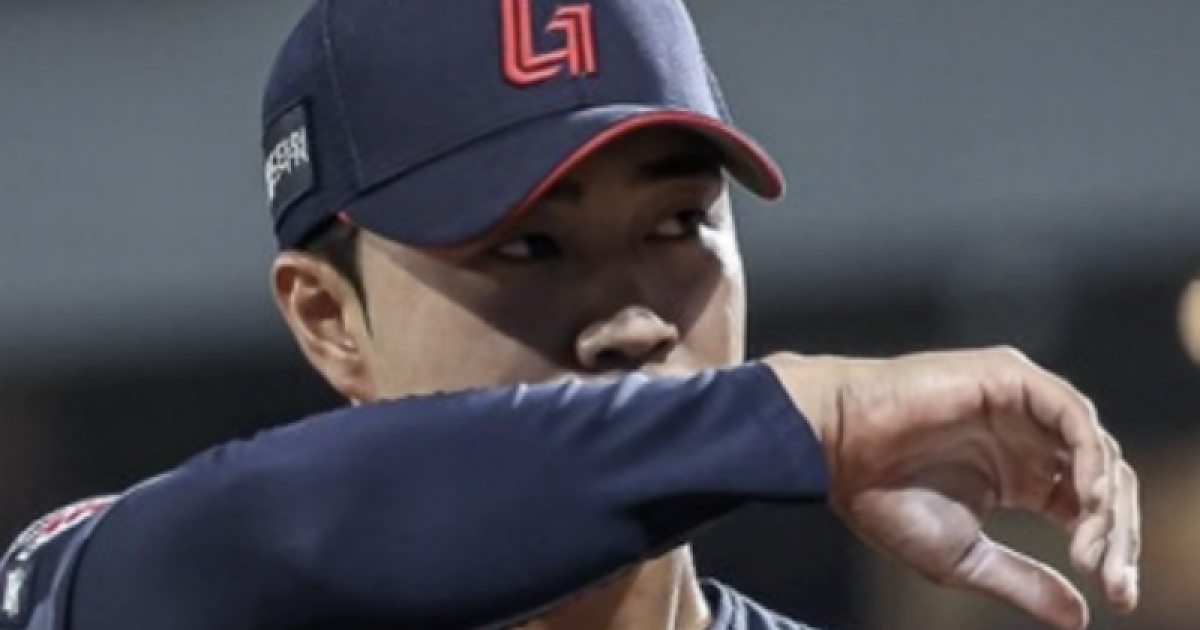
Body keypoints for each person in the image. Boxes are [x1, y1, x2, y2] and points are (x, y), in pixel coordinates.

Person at [0, 1, 1140, 629]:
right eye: (525, 246)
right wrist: (802, 418)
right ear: (329, 318)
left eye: (677, 225)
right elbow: (239, 541)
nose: (631, 322)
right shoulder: (150, 581)